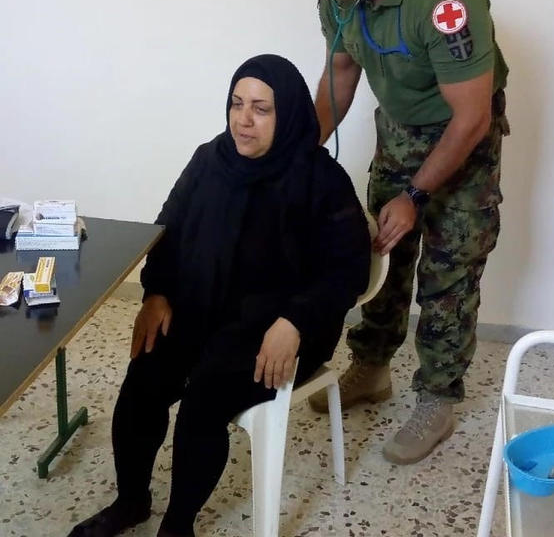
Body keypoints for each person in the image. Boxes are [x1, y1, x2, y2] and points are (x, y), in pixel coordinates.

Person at [67, 54, 371, 537]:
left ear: (289, 113)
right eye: (236, 103)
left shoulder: (321, 179)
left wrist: (295, 321)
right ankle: (131, 502)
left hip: (283, 327)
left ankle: (178, 526)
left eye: (261, 109)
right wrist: (155, 294)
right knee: (144, 377)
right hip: (203, 306)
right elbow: (167, 231)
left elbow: (349, 269)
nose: (243, 119)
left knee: (204, 401)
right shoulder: (211, 160)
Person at [300, 0, 510, 464]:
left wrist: (416, 194)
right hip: (398, 130)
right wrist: (297, 155)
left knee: (449, 270)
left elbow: (472, 117)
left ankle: (437, 398)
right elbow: (340, 73)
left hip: (463, 136)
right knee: (380, 252)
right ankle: (371, 367)